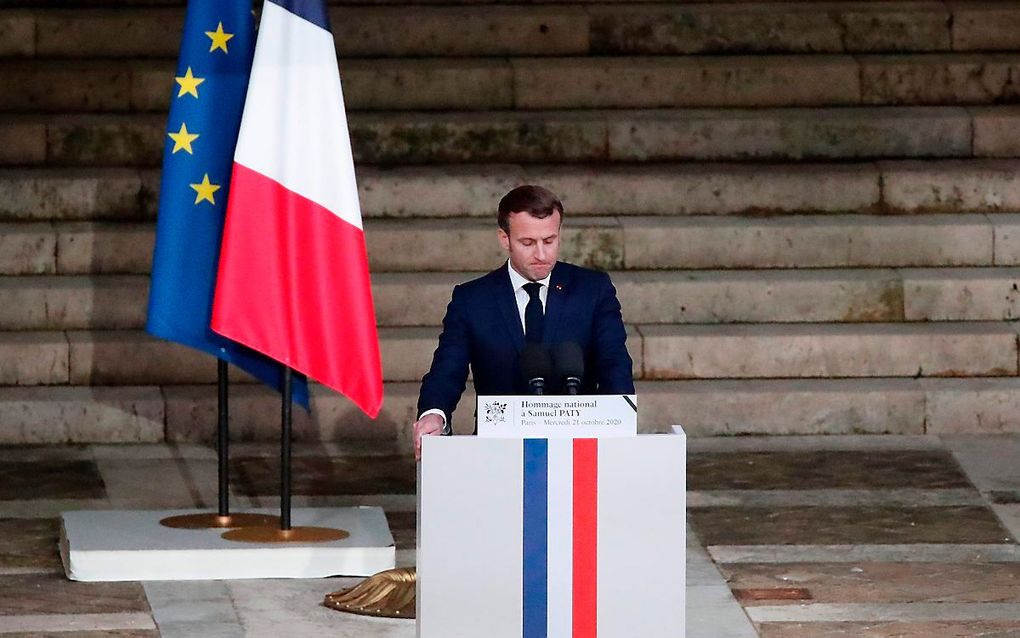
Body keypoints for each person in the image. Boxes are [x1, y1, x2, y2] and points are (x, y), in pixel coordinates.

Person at [412, 185, 635, 458]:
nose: (541, 254)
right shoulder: (472, 299)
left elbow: (614, 363)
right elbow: (447, 369)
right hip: (497, 451)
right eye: (528, 243)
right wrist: (434, 415)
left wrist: (619, 424)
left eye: (549, 241)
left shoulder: (592, 290)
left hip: (580, 452)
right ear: (504, 239)